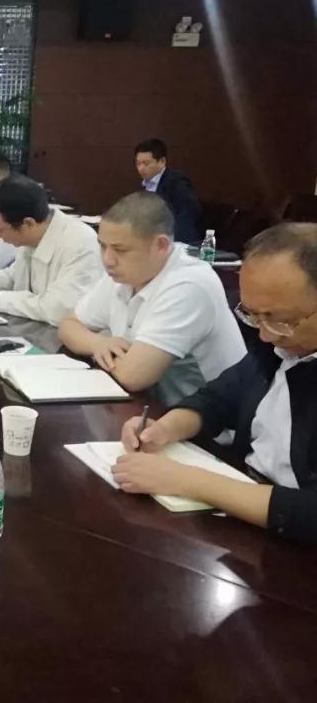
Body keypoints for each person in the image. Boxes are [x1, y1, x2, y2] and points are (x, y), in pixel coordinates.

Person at [112, 223, 317, 545]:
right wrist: (164, 429)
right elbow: (219, 398)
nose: (265, 335)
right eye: (252, 315)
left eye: (281, 321)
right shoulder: (277, 347)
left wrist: (188, 481)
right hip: (243, 505)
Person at [58, 192, 245, 405]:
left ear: (161, 246)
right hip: (150, 407)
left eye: (120, 250)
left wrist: (102, 353)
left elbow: (133, 376)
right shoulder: (124, 274)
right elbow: (68, 325)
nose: (107, 260)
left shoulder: (189, 284)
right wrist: (98, 343)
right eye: (102, 246)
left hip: (208, 420)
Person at [0, 175, 102, 326]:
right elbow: (14, 275)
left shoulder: (79, 242)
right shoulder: (31, 236)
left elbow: (58, 309)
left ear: (28, 223)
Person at [134, 138, 201, 245]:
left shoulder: (177, 182)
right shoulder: (144, 186)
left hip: (177, 242)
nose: (141, 168)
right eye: (138, 164)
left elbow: (187, 215)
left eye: (146, 164)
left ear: (162, 162)